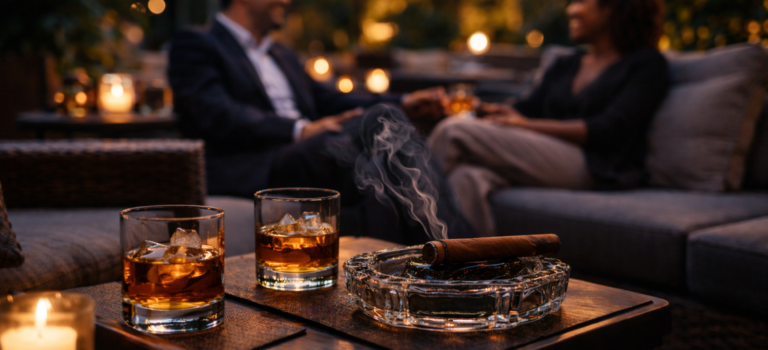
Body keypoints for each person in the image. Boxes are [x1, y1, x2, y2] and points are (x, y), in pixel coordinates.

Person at [168, 0, 476, 243]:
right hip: (262, 162)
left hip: (311, 152)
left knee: (378, 169)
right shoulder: (196, 43)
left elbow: (329, 99)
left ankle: (416, 272)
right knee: (382, 125)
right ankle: (465, 251)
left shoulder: (281, 54)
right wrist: (299, 129)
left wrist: (404, 102)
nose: (286, 1)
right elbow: (216, 112)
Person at [428, 0, 670, 237]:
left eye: (581, 2)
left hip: (594, 163)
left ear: (613, 9)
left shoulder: (646, 64)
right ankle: (470, 269)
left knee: (455, 131)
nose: (571, 9)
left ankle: (402, 229)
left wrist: (526, 125)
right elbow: (526, 107)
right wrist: (483, 109)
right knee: (467, 177)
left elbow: (610, 130)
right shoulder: (568, 63)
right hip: (545, 157)